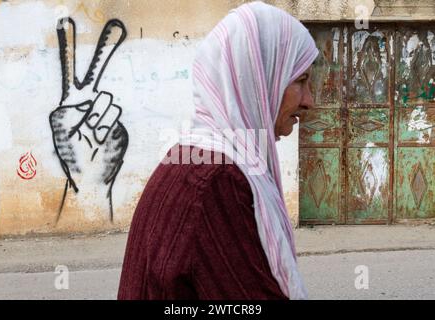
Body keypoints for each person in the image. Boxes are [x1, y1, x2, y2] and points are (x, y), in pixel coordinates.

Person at [118, 1, 318, 300]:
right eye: (300, 81)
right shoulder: (220, 179)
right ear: (258, 79)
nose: (309, 101)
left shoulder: (188, 156)